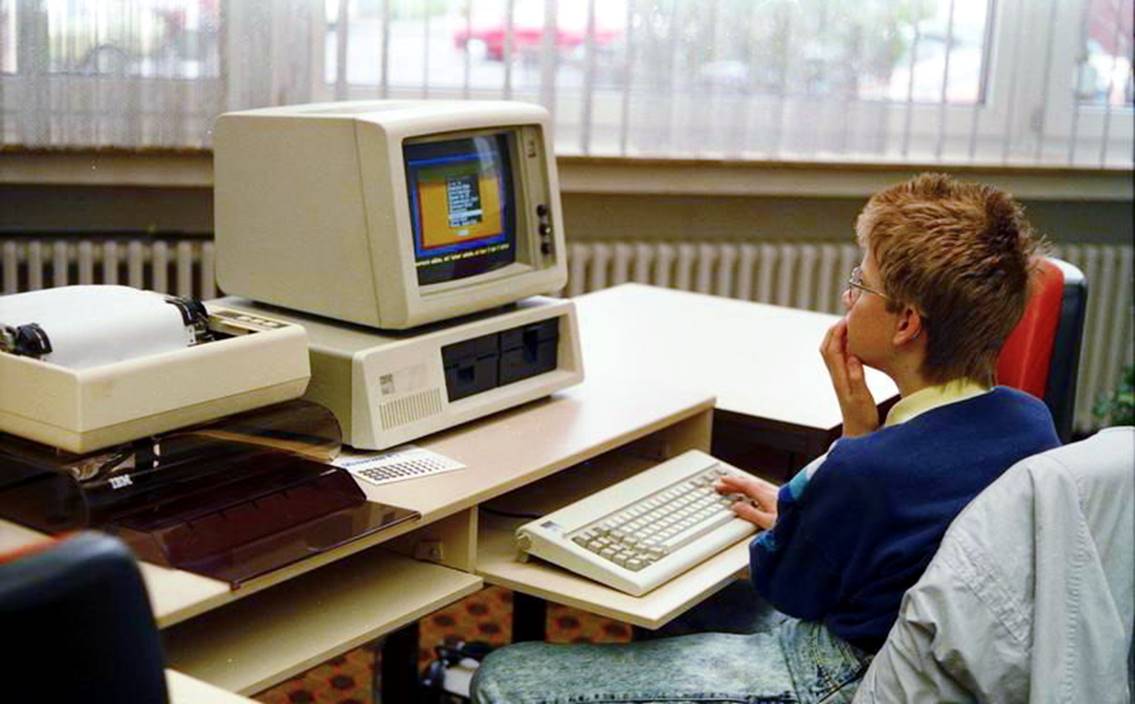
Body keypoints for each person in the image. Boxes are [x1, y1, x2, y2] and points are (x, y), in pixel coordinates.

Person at [470, 173, 1062, 704]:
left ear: (906, 323)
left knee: (505, 676)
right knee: (696, 606)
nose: (847, 298)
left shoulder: (871, 468)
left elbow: (789, 587)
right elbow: (903, 525)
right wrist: (835, 470)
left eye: (862, 282)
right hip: (926, 656)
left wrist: (841, 460)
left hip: (839, 670)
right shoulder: (1029, 419)